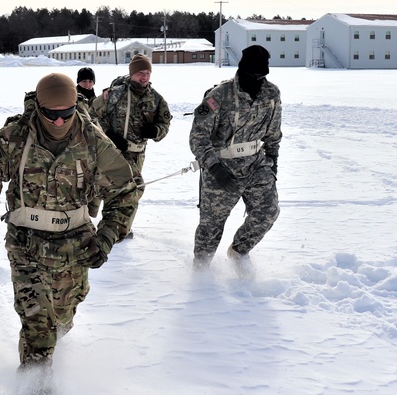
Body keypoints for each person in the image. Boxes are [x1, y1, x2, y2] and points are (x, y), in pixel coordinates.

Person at [0, 73, 139, 395]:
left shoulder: (93, 141)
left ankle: (51, 346)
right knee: (38, 329)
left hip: (76, 243)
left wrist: (107, 235)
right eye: (51, 114)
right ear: (38, 109)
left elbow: (126, 192)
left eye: (67, 113)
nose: (59, 121)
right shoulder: (13, 139)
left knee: (61, 320)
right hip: (26, 243)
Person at [189, 44, 282, 269]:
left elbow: (273, 132)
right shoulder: (218, 96)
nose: (258, 80)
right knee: (211, 225)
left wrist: (273, 160)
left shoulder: (271, 93)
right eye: (254, 75)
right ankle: (200, 271)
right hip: (221, 167)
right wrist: (214, 167)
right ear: (243, 70)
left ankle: (239, 251)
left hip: (256, 164)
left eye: (262, 75)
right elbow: (197, 136)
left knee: (268, 212)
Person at [90, 53, 172, 236]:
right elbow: (91, 115)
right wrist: (108, 135)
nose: (144, 77)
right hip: (112, 151)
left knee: (125, 190)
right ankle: (110, 224)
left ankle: (121, 227)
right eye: (140, 73)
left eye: (147, 73)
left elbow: (165, 123)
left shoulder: (156, 99)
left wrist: (156, 131)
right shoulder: (115, 94)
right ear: (132, 73)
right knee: (130, 187)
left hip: (138, 153)